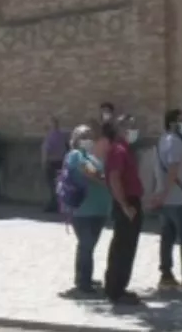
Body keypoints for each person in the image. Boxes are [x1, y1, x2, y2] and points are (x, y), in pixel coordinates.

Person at [152, 108, 182, 289]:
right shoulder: (175, 142)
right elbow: (173, 170)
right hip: (177, 199)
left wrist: (159, 194)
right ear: (173, 123)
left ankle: (166, 275)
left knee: (167, 238)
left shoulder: (162, 140)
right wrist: (165, 193)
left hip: (165, 199)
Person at [62, 125, 112, 294]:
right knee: (86, 245)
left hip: (98, 209)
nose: (88, 139)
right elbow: (89, 172)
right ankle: (83, 282)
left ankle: (84, 277)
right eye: (84, 136)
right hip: (84, 210)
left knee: (88, 246)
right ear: (75, 140)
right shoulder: (75, 155)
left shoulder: (91, 156)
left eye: (90, 135)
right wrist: (109, 182)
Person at [102, 118, 143, 304]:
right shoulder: (119, 150)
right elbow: (114, 179)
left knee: (125, 246)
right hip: (126, 202)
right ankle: (116, 290)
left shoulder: (124, 149)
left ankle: (117, 287)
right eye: (130, 126)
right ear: (120, 129)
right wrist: (125, 205)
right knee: (123, 247)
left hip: (130, 201)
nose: (134, 129)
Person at [41, 117, 68, 211]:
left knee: (52, 185)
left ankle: (54, 204)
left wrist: (44, 162)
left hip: (51, 162)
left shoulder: (50, 136)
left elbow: (46, 150)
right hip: (60, 161)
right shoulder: (62, 135)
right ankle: (59, 204)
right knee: (59, 184)